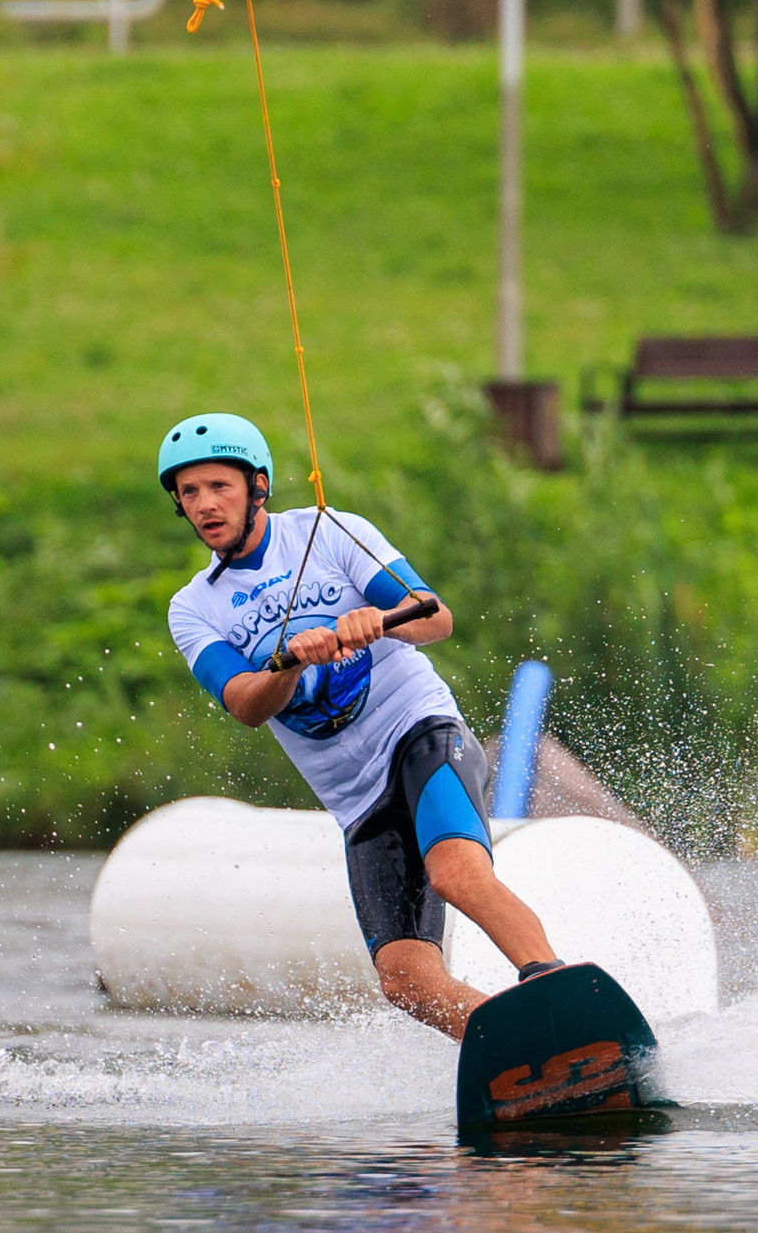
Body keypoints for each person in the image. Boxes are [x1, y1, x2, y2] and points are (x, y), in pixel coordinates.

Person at [158, 412, 561, 1040]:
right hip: (356, 800)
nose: (205, 505)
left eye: (220, 486)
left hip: (419, 734)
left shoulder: (330, 531)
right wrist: (290, 660)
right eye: (190, 493)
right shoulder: (192, 608)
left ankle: (552, 982)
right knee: (403, 979)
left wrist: (378, 618)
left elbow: (435, 617)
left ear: (257, 486)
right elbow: (245, 703)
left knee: (455, 874)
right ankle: (521, 1042)